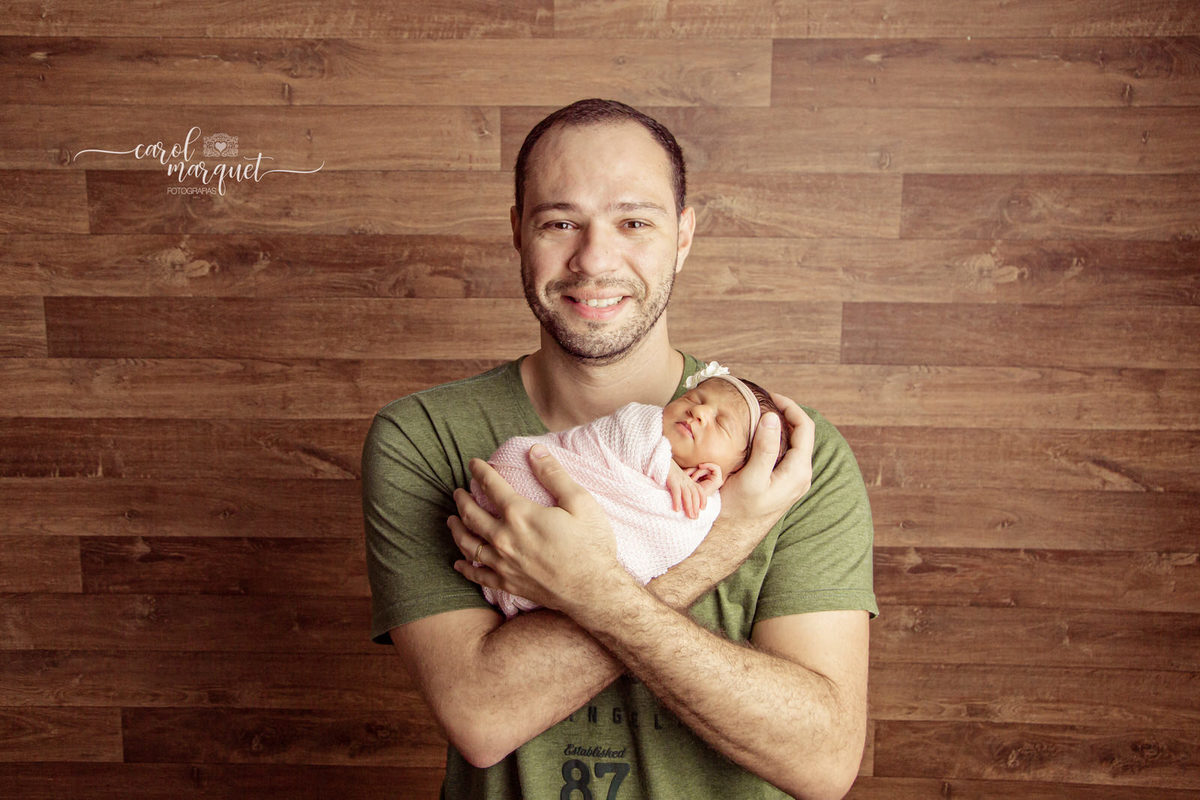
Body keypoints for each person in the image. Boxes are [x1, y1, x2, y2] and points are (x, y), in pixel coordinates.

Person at [363, 98, 877, 800]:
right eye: (560, 222)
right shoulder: (426, 438)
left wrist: (589, 590)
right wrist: (725, 541)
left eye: (634, 222)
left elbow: (821, 761)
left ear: (683, 237)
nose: (594, 259)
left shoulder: (783, 458)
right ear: (518, 232)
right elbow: (482, 716)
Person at [475, 363, 792, 617]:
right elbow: (621, 432)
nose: (699, 412)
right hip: (527, 475)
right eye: (695, 398)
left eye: (721, 424)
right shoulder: (641, 422)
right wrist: (666, 469)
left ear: (735, 470)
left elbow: (661, 544)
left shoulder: (703, 509)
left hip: (553, 573)